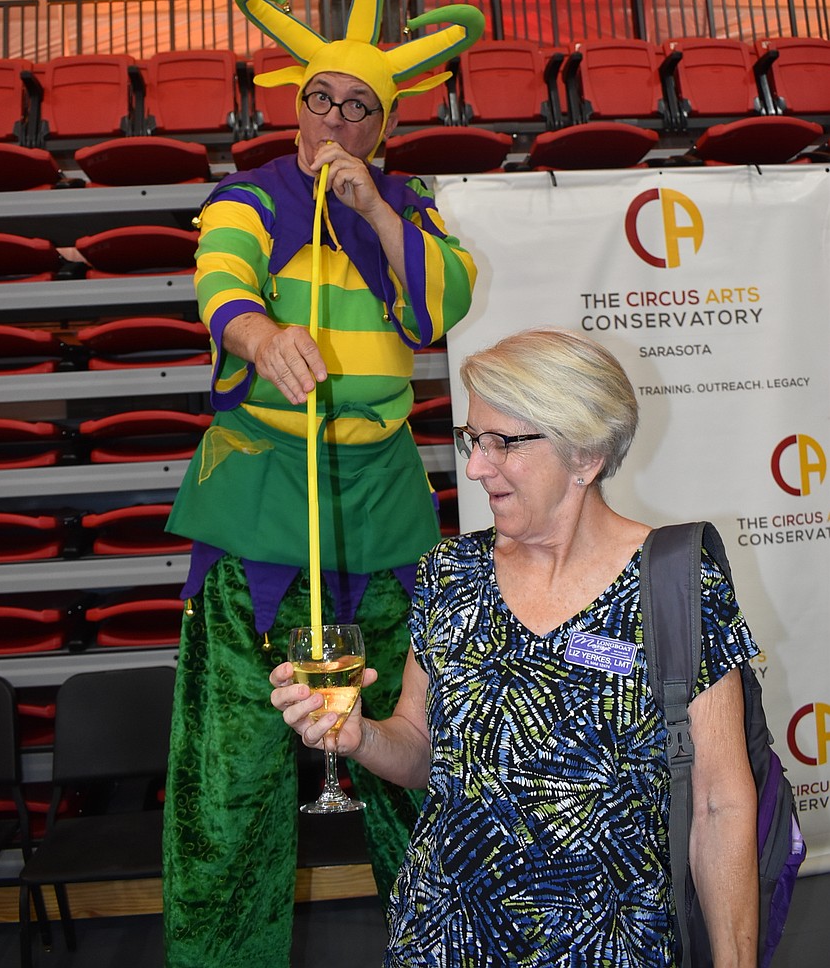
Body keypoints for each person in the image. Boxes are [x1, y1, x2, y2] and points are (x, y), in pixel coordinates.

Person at [161, 0, 485, 968]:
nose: (337, 118)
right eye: (322, 100)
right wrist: (254, 332)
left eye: (361, 106)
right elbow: (221, 274)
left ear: (383, 125)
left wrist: (373, 215)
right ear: (292, 106)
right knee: (233, 773)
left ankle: (441, 946)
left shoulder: (410, 204)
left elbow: (441, 304)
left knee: (409, 752)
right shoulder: (248, 194)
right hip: (258, 503)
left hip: (381, 511)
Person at [272, 327, 760, 967]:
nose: (475, 466)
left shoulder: (675, 579)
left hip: (612, 947)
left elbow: (721, 804)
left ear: (584, 455)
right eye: (474, 439)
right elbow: (423, 755)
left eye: (504, 443)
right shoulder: (449, 575)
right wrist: (359, 736)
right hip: (445, 938)